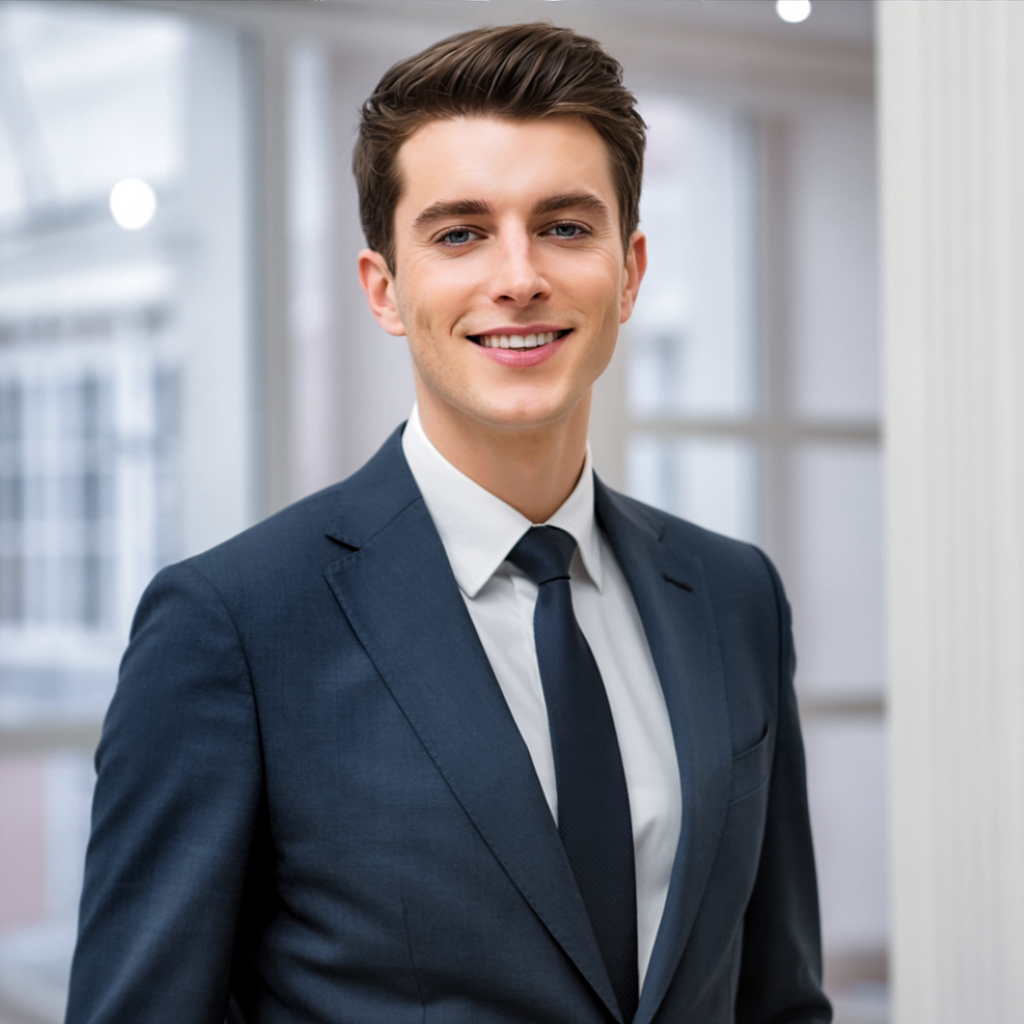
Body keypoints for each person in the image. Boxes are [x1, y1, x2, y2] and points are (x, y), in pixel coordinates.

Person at [65, 22, 831, 1024]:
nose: (517, 276)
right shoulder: (235, 625)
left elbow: (778, 998)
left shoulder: (734, 597)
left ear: (630, 271)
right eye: (460, 233)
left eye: (564, 226)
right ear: (385, 288)